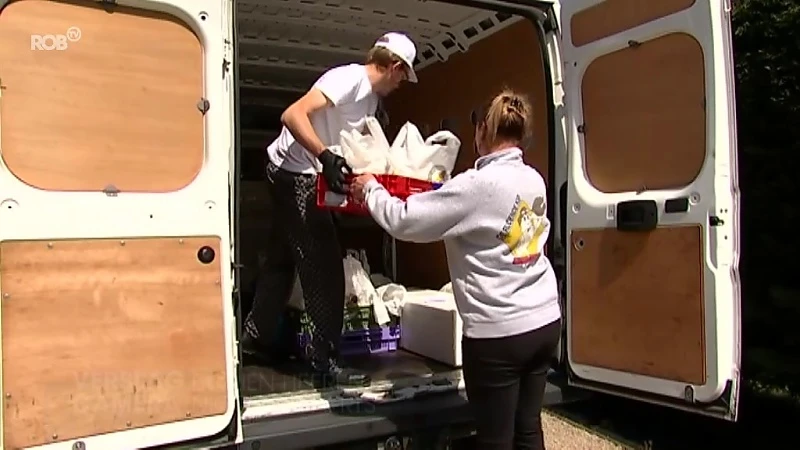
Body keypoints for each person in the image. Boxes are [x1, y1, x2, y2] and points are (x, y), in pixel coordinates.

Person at [351, 89, 561, 449]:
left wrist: (370, 189)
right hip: (543, 321)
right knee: (528, 428)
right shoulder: (533, 178)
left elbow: (404, 220)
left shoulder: (475, 186)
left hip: (499, 335)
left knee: (494, 439)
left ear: (482, 130)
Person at [242, 32, 419, 387]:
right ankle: (324, 360)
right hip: (295, 173)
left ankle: (254, 339)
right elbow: (293, 115)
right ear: (395, 67)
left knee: (282, 258)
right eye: (404, 76)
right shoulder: (349, 79)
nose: (402, 83)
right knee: (323, 266)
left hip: (289, 169)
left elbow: (350, 144)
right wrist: (325, 156)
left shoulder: (369, 101)